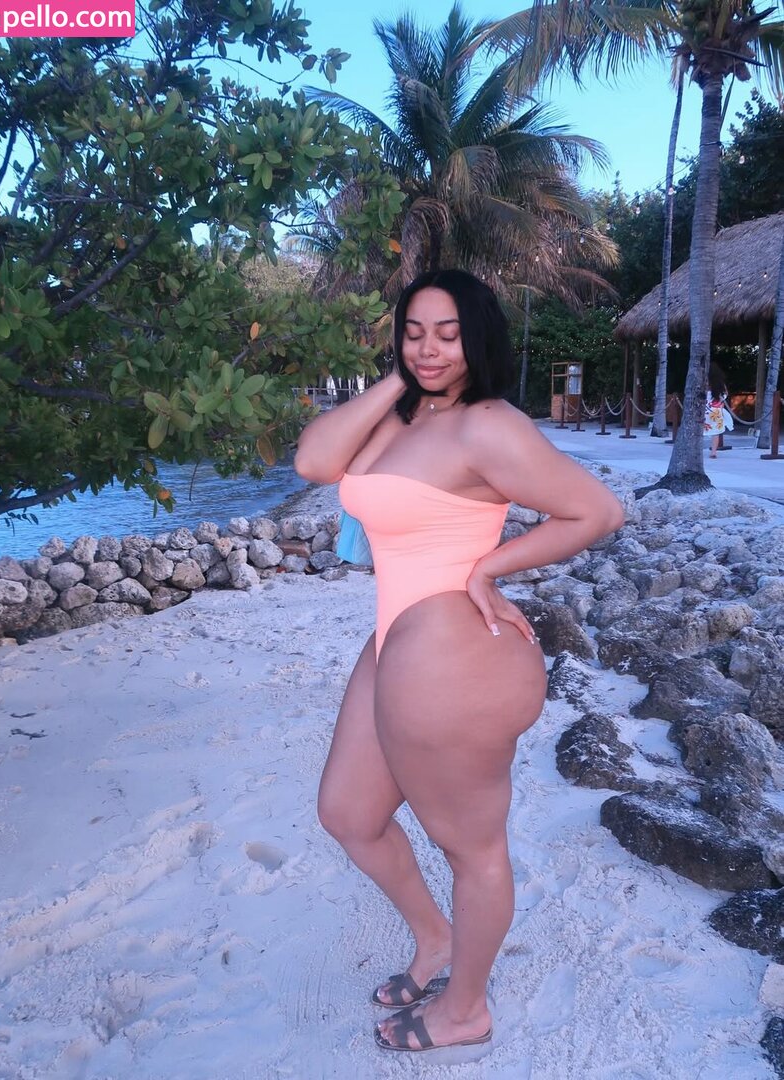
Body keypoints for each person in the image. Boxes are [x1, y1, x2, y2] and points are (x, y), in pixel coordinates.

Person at [294, 269, 625, 1055]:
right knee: (348, 813)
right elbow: (313, 460)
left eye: (447, 334)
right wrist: (399, 379)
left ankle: (465, 1009)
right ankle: (434, 938)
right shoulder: (403, 416)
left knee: (470, 849)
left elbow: (595, 509)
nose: (429, 348)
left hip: (458, 657)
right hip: (395, 642)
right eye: (413, 333)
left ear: (477, 338)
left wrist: (491, 567)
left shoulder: (488, 426)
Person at [703, 363, 729, 459]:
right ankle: (713, 452)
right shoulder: (720, 384)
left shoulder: (703, 381)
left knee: (699, 431)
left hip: (704, 409)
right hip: (716, 411)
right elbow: (725, 395)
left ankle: (696, 450)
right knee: (715, 432)